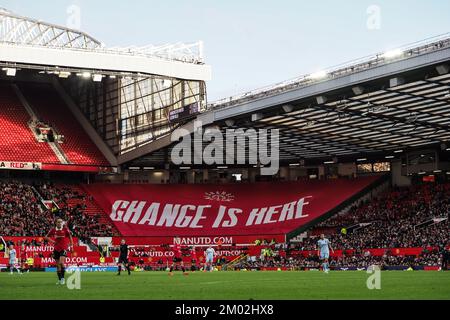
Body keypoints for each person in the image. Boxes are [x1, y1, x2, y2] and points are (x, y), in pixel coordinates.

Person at [45, 218, 73, 285]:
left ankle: (63, 278)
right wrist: (53, 241)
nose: (59, 223)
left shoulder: (65, 229)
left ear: (62, 223)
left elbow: (70, 237)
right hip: (56, 249)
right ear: (56, 223)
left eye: (60, 222)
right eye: (58, 222)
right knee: (57, 265)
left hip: (63, 248)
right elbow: (46, 237)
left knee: (61, 262)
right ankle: (60, 279)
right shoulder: (53, 230)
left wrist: (71, 246)